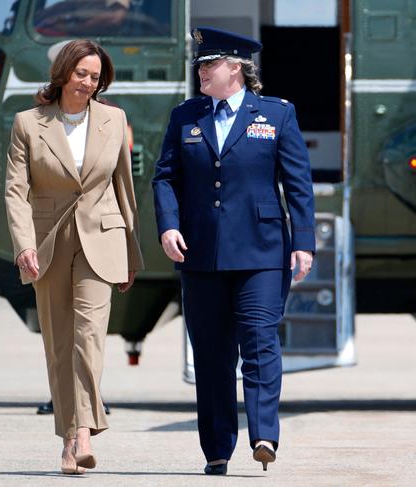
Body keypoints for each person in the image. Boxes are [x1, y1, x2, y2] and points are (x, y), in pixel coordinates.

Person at [152, 27, 315, 474]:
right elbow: (165, 177)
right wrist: (168, 226)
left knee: (260, 342)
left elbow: (298, 182)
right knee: (211, 354)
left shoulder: (277, 114)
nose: (201, 71)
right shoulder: (185, 115)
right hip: (201, 252)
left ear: (237, 69)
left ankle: (264, 435)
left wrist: (303, 242)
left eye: (210, 64)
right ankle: (217, 449)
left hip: (262, 251)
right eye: (200, 64)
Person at [5, 39, 143, 474]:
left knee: (88, 336)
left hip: (101, 240)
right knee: (60, 343)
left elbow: (124, 189)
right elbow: (15, 190)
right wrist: (24, 243)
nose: (88, 82)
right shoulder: (28, 123)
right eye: (81, 73)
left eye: (96, 77)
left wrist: (131, 254)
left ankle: (81, 434)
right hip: (47, 242)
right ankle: (70, 436)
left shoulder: (114, 120)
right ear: (64, 72)